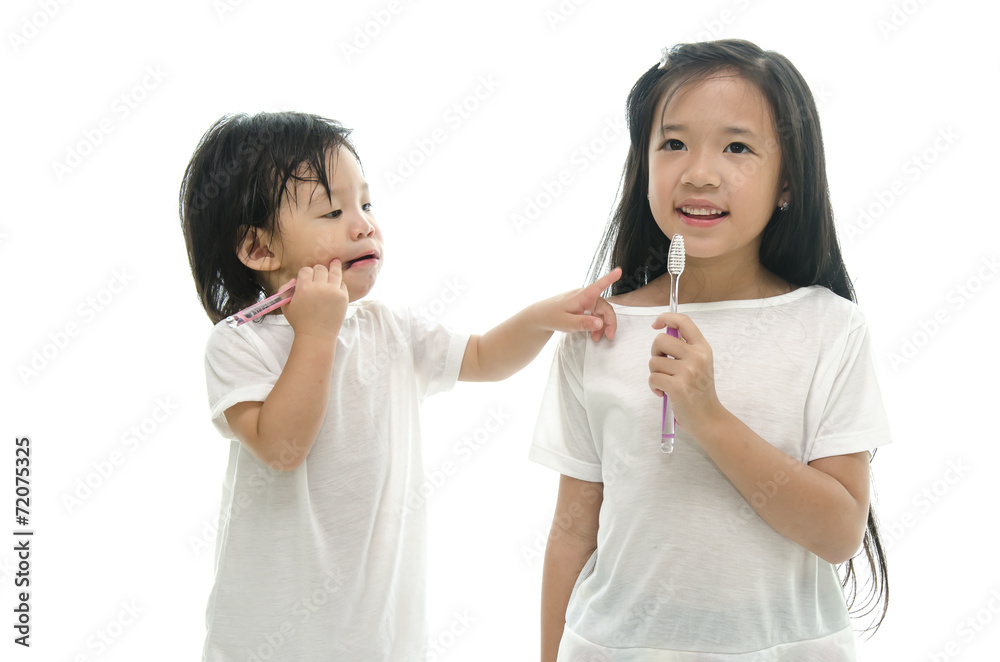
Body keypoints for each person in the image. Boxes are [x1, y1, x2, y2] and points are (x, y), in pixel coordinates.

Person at [177, 111, 621, 662]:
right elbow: (281, 447)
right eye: (332, 211)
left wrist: (541, 319)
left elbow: (483, 356)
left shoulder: (387, 328)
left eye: (365, 204)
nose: (363, 225)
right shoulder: (239, 344)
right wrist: (315, 332)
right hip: (271, 640)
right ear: (259, 249)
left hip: (378, 638)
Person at [532, 39, 891, 661]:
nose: (699, 171)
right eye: (673, 143)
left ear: (788, 183)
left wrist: (707, 415)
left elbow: (838, 533)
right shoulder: (599, 331)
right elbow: (572, 529)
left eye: (737, 147)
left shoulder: (829, 329)